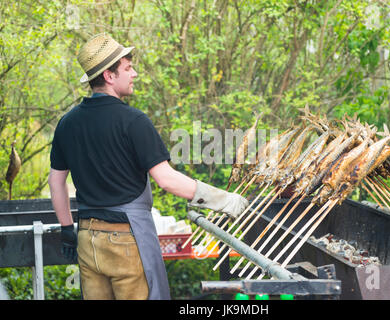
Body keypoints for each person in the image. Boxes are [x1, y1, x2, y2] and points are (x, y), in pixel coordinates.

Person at [48, 33, 249, 300]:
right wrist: (224, 200)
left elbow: (56, 181)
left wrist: (66, 229)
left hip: (87, 238)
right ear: (109, 75)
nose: (135, 74)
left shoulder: (67, 123)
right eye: (128, 68)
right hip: (126, 240)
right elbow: (166, 179)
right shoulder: (133, 121)